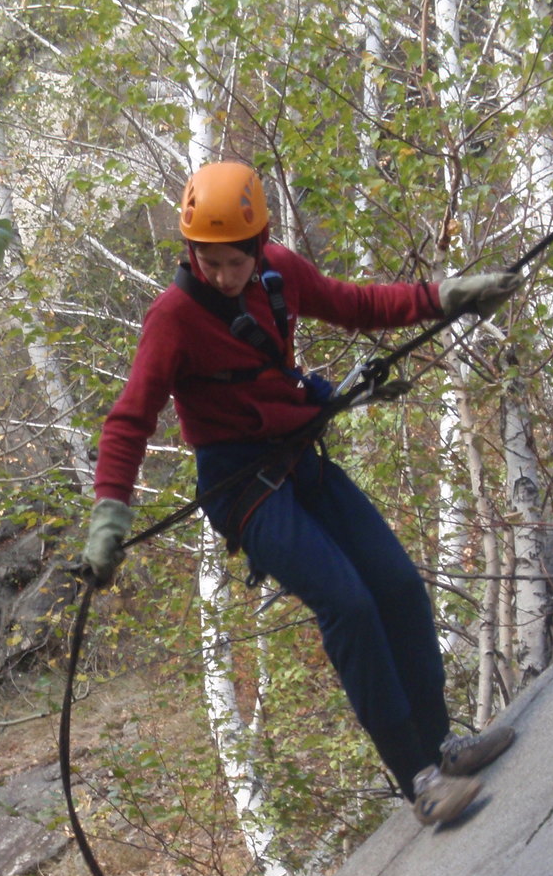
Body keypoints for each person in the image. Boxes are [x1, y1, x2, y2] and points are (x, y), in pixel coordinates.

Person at [78, 161, 520, 824]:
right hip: (241, 487)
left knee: (396, 585)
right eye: (208, 262)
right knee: (347, 603)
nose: (223, 277)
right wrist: (109, 517)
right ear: (190, 251)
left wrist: (446, 297)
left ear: (257, 249)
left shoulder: (277, 274)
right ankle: (419, 777)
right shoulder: (172, 318)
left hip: (295, 456)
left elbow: (356, 305)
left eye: (234, 263)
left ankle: (442, 745)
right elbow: (130, 417)